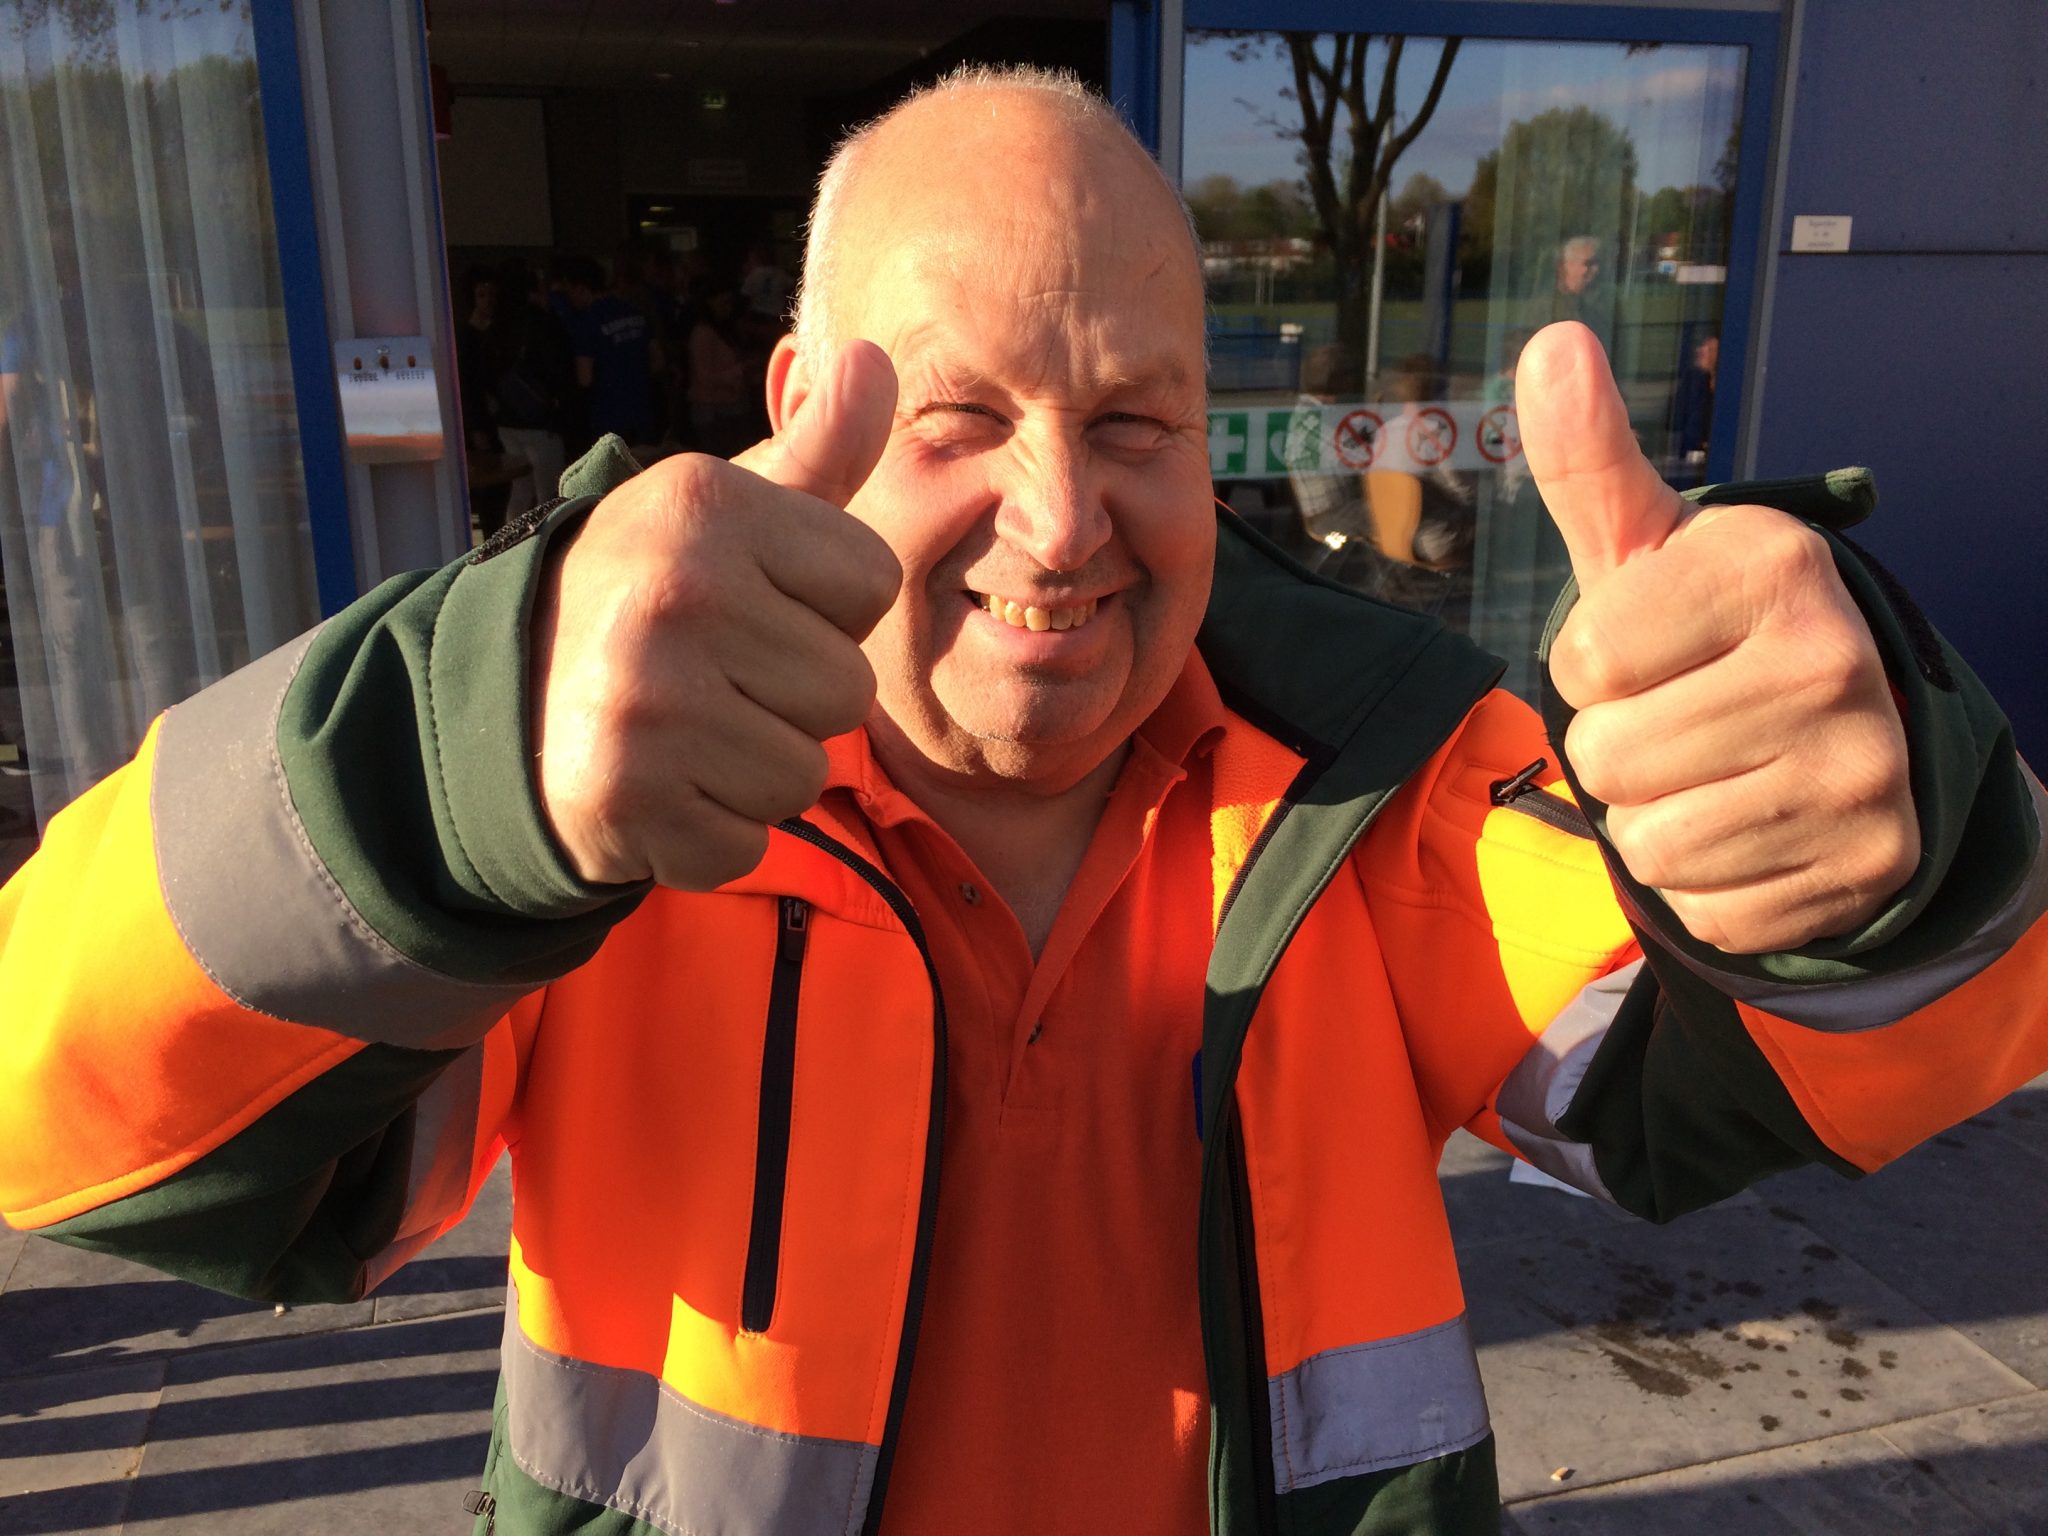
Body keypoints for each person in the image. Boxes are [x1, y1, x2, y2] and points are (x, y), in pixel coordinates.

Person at [2, 67, 2045, 1536]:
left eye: (1135, 419)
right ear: (796, 406)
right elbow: (58, 1125)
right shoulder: (579, 811)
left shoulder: (1384, 791)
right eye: (961, 413)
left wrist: (1873, 858)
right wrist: (440, 775)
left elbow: (1851, 1059)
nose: (1059, 520)